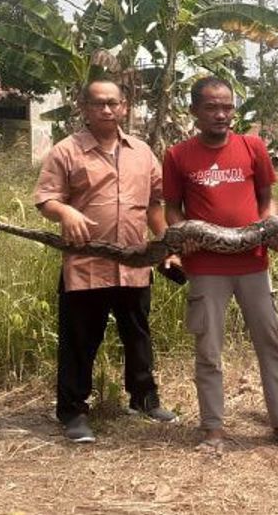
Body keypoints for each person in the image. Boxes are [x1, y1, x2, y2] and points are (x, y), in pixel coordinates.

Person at [163, 77, 278, 456]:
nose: (221, 114)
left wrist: (273, 228)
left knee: (271, 343)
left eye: (228, 107)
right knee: (209, 349)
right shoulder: (178, 155)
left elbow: (267, 199)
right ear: (195, 112)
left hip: (253, 263)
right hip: (207, 267)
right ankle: (213, 429)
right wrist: (182, 234)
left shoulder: (253, 146)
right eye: (212, 108)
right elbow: (170, 208)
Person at [33, 79, 176, 443]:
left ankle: (143, 399)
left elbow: (155, 205)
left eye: (113, 103)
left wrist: (165, 247)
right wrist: (64, 213)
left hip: (134, 261)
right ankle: (73, 412)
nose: (107, 110)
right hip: (86, 265)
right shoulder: (67, 151)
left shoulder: (143, 152)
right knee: (80, 340)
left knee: (138, 335)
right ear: (84, 107)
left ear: (125, 106)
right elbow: (47, 199)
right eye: (98, 103)